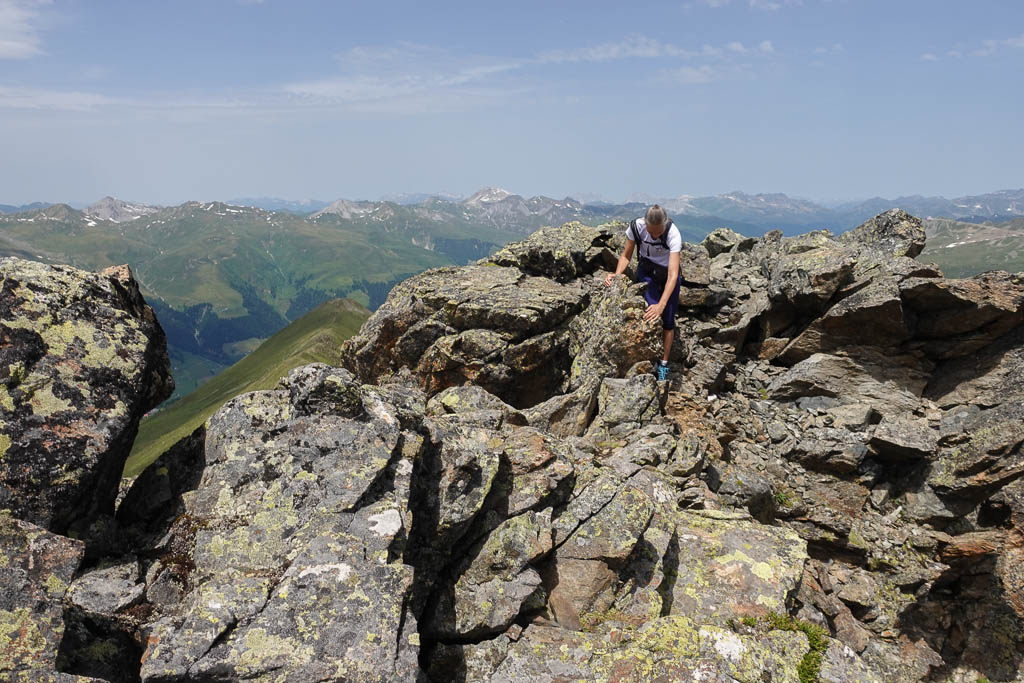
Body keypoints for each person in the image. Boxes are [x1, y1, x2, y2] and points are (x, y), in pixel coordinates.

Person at [603, 204, 682, 381]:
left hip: (668, 273)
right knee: (650, 313)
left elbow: (673, 274)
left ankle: (663, 365)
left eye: (658, 232)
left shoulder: (673, 233)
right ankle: (647, 361)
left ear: (665, 224)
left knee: (668, 320)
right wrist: (616, 277)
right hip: (647, 272)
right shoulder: (635, 228)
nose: (654, 235)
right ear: (645, 224)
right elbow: (625, 256)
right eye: (651, 231)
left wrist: (661, 305)